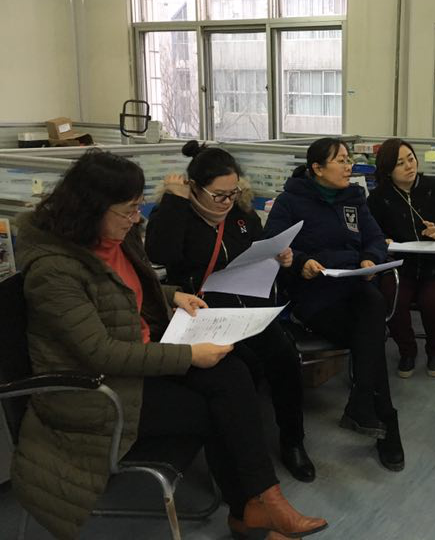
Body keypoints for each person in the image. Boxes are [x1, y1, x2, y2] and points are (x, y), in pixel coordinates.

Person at [12, 151, 327, 540]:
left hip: (139, 361)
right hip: (99, 391)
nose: (137, 218)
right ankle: (251, 511)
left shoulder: (114, 238)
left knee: (232, 371)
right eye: (129, 210)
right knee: (219, 408)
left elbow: (121, 292)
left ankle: (262, 502)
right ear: (91, 209)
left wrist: (171, 294)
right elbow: (100, 352)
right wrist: (189, 354)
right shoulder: (54, 270)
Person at [144, 140, 315, 483]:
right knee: (241, 369)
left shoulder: (241, 213)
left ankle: (293, 440)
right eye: (218, 195)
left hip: (246, 306)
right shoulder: (176, 213)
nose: (226, 202)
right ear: (194, 188)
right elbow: (160, 254)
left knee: (284, 357)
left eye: (232, 193)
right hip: (202, 313)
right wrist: (176, 202)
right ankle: (240, 452)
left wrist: (280, 257)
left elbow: (257, 249)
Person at [263, 137, 405, 472]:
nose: (348, 166)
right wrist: (301, 262)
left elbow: (375, 237)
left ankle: (363, 404)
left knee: (372, 304)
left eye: (348, 159)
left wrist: (371, 258)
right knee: (370, 335)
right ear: (317, 168)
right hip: (315, 294)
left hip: (353, 286)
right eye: (340, 160)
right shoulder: (290, 202)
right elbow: (273, 246)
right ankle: (382, 419)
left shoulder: (354, 198)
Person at [367, 138, 435, 378]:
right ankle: (407, 351)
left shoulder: (433, 187)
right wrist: (383, 240)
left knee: (433, 302)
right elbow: (370, 233)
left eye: (410, 159)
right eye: (400, 163)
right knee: (392, 297)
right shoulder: (378, 197)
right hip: (400, 265)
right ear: (388, 170)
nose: (409, 166)